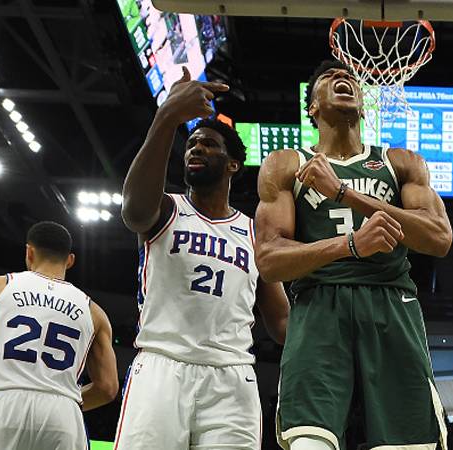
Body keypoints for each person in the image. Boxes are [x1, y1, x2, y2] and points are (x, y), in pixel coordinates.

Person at [255, 60, 453, 450]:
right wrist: (350, 246)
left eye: (350, 78)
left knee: (407, 443)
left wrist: (344, 194)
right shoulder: (286, 164)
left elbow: (438, 237)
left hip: (391, 302)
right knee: (309, 443)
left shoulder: (401, 162)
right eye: (329, 77)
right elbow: (269, 258)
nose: (343, 78)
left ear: (363, 107)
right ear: (311, 107)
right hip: (318, 305)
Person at [116, 66, 289, 450]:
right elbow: (132, 212)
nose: (196, 148)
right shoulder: (165, 209)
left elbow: (280, 321)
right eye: (192, 143)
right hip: (163, 364)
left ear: (233, 165)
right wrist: (167, 117)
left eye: (209, 144)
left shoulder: (254, 232)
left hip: (233, 376)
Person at [0, 221, 119, 450]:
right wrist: (63, 401)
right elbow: (108, 388)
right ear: (70, 260)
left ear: (29, 251)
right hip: (64, 416)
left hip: (3, 404)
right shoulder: (95, 312)